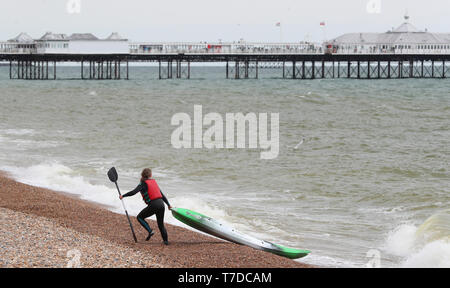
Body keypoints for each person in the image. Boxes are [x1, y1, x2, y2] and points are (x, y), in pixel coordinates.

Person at [120, 168, 172, 245]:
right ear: (150, 175)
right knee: (160, 224)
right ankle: (166, 241)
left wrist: (123, 196)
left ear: (142, 175)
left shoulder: (142, 184)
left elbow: (133, 192)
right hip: (161, 204)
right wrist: (168, 204)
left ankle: (150, 231)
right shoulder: (154, 182)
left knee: (140, 217)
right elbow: (162, 195)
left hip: (154, 205)